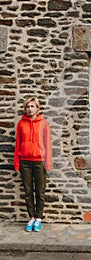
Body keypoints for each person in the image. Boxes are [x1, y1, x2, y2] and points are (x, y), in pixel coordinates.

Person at [14, 96, 52, 232]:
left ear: (37, 108)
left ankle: (39, 219)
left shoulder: (44, 123)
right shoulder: (21, 124)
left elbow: (47, 144)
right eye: (27, 107)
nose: (30, 109)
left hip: (39, 162)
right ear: (25, 109)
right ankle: (31, 218)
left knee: (40, 192)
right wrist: (17, 163)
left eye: (32, 106)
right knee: (28, 191)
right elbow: (18, 144)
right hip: (24, 162)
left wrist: (47, 163)